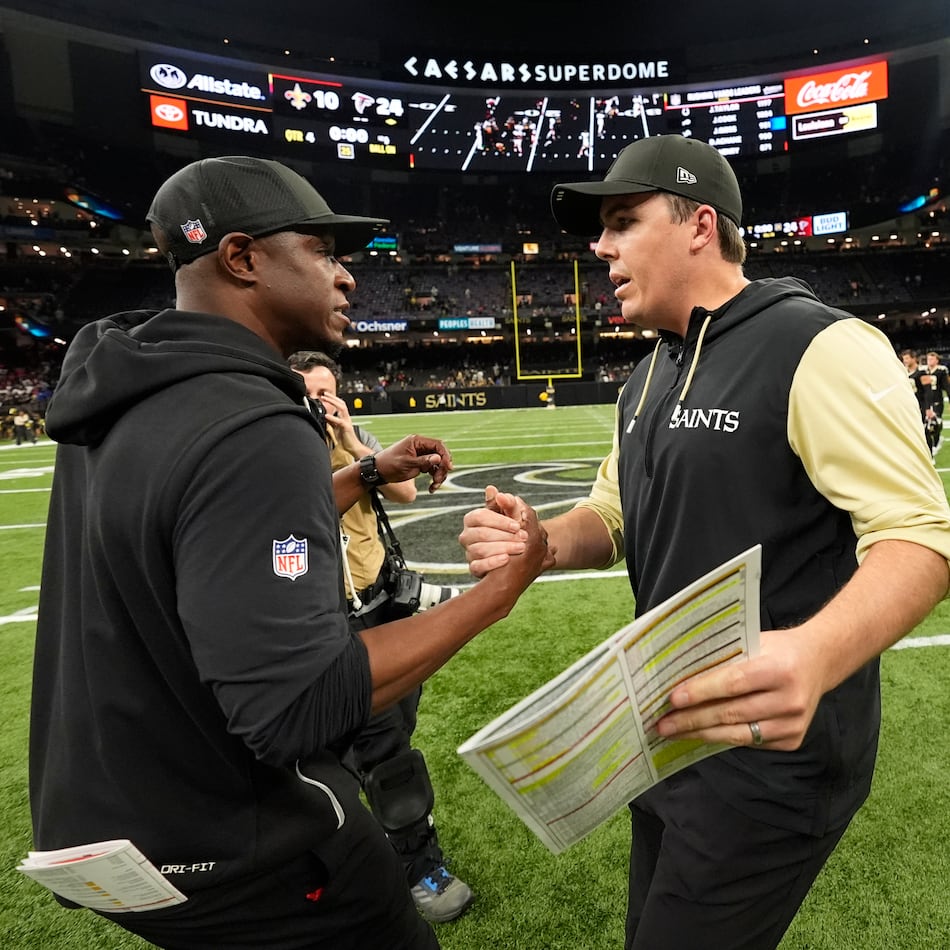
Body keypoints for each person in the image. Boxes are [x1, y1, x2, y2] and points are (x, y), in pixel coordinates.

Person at [29, 155, 551, 950]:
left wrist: (366, 472)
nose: (346, 279)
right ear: (241, 258)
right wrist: (502, 591)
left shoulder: (125, 385)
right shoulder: (253, 421)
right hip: (234, 839)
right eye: (323, 252)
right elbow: (295, 706)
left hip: (108, 824)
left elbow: (206, 538)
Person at [459, 135, 950, 950]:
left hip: (772, 761)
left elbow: (920, 539)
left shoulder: (819, 346)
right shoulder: (647, 374)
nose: (600, 247)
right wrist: (541, 544)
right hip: (664, 737)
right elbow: (610, 520)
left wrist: (816, 655)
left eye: (622, 221)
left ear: (699, 226)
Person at [288, 350, 473, 923]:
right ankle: (410, 869)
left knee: (392, 736)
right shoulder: (278, 446)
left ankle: (402, 858)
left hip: (378, 609)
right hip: (320, 621)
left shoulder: (356, 438)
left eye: (329, 391)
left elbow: (408, 495)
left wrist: (350, 439)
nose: (323, 402)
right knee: (357, 755)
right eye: (311, 393)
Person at [918, 350, 950, 457]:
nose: (929, 361)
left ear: (937, 360)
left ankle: (937, 440)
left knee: (936, 423)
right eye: (928, 359)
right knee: (926, 425)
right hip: (926, 401)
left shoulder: (941, 370)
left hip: (937, 400)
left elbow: (946, 386)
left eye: (932, 359)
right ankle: (932, 444)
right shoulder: (923, 371)